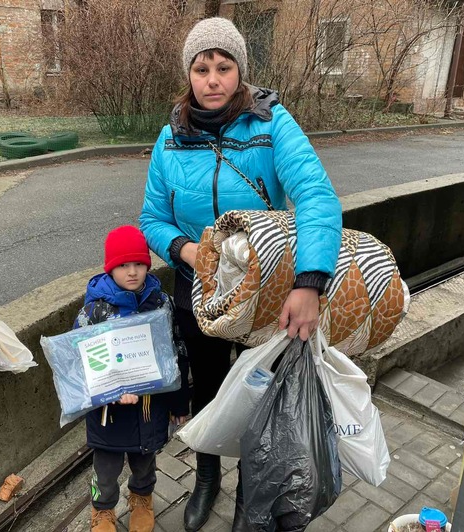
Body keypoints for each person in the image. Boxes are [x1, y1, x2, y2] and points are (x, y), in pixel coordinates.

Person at [139, 17, 342, 532]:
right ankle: (207, 475)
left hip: (266, 296)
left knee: (261, 399)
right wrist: (186, 252)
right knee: (206, 387)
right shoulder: (171, 138)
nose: (212, 79)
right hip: (200, 293)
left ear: (240, 72)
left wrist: (308, 282)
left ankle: (253, 496)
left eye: (223, 67)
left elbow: (316, 197)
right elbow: (151, 219)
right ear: (189, 75)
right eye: (201, 68)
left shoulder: (273, 125)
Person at [73, 225, 189, 532]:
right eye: (123, 265)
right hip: (109, 413)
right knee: (106, 468)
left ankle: (141, 498)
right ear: (110, 268)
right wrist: (111, 390)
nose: (133, 271)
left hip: (151, 407)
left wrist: (179, 402)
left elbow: (175, 352)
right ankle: (102, 509)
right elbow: (80, 361)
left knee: (144, 462)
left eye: (139, 263)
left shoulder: (161, 302)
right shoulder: (94, 311)